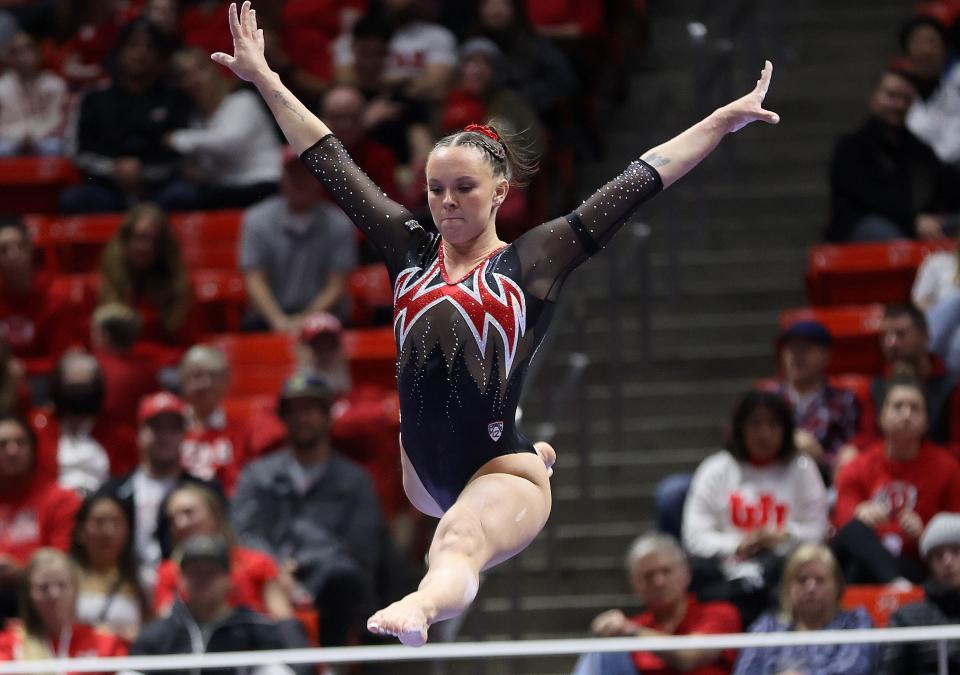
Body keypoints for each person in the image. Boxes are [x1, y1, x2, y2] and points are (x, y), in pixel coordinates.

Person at [213, 0, 780, 644]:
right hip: (423, 473)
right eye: (435, 190)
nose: (447, 203)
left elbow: (640, 178)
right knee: (449, 498)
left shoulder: (529, 265)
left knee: (456, 537)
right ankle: (526, 449)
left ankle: (425, 604)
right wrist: (266, 78)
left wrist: (718, 121)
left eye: (465, 189)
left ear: (500, 191)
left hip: (495, 476)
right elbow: (328, 159)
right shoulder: (409, 249)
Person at [232, 374, 400, 646]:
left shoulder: (355, 480)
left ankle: (332, 662)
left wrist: (299, 566)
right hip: (268, 582)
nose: (301, 418)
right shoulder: (256, 476)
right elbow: (246, 533)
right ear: (283, 419)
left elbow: (360, 547)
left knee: (344, 576)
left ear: (326, 416)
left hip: (332, 589)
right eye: (293, 411)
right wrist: (274, 570)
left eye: (309, 410)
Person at [682, 391, 829, 625]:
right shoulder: (715, 469)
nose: (765, 433)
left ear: (786, 429)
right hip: (727, 570)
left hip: (784, 568)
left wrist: (784, 536)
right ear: (740, 428)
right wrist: (738, 544)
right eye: (756, 424)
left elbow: (818, 530)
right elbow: (694, 537)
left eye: (774, 424)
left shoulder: (802, 468)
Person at [832, 375, 960, 584]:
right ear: (881, 417)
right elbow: (844, 529)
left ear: (927, 422)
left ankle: (896, 583)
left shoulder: (947, 467)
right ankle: (896, 584)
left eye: (915, 408)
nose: (906, 414)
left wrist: (926, 535)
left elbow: (957, 528)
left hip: (916, 563)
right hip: (864, 559)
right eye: (898, 406)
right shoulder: (856, 467)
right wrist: (859, 513)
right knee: (854, 532)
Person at [60, 18, 193, 214]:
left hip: (159, 186)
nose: (141, 54)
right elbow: (77, 151)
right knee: (73, 199)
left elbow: (184, 149)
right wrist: (114, 168)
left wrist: (143, 170)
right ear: (119, 52)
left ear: (161, 56)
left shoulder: (176, 99)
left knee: (184, 195)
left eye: (150, 47)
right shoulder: (94, 98)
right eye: (134, 46)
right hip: (105, 185)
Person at [572, 532, 741, 675]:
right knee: (602, 650)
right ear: (634, 584)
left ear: (687, 573)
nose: (659, 582)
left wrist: (631, 631)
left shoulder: (720, 614)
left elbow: (688, 657)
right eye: (648, 576)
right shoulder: (634, 625)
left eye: (666, 571)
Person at [129, 534, 299, 675]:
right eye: (194, 573)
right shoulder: (159, 633)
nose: (202, 580)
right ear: (180, 580)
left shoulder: (255, 629)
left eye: (211, 572)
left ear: (228, 578)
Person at [825, 66, 960, 242]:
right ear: (873, 99)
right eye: (891, 96)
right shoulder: (851, 147)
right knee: (884, 233)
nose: (899, 105)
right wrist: (913, 221)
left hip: (917, 225)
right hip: (862, 229)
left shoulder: (919, 150)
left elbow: (945, 186)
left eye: (906, 99)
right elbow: (866, 199)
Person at [103, 392, 222, 588]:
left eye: (173, 428)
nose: (164, 436)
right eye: (155, 427)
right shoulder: (114, 492)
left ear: (184, 435)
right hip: (125, 587)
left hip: (187, 584)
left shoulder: (205, 490)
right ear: (139, 433)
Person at [239, 146, 357, 332]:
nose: (299, 181)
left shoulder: (340, 223)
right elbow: (254, 280)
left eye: (306, 173)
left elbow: (336, 285)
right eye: (293, 174)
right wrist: (278, 321)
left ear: (319, 179)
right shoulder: (256, 219)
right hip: (268, 319)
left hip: (324, 320)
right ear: (282, 177)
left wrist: (304, 322)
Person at [155, 482, 297, 624]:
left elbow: (284, 621)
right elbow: (165, 627)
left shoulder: (258, 563)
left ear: (214, 513)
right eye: (172, 518)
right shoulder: (169, 572)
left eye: (189, 512)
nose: (181, 523)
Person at [732, 543, 878, 675]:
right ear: (788, 586)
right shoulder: (768, 627)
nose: (810, 587)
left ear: (838, 586)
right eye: (802, 580)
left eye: (820, 580)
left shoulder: (856, 623)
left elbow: (856, 669)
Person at [167, 46, 281, 210]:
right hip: (228, 189)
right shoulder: (196, 120)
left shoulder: (243, 101)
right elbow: (212, 166)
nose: (195, 80)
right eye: (185, 75)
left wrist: (180, 138)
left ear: (215, 72)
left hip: (263, 184)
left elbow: (229, 144)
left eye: (200, 69)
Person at [0, 414, 80, 623]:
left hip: (42, 601)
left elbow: (59, 560)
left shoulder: (61, 499)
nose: (12, 451)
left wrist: (22, 573)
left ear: (34, 449)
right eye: (3, 444)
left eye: (20, 443)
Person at [98, 203, 200, 352]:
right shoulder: (101, 285)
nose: (148, 247)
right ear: (125, 238)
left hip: (163, 368)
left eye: (156, 241)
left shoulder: (178, 287)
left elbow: (186, 345)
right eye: (141, 238)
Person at [0, 549, 126, 662]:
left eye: (62, 585)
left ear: (75, 590)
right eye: (43, 587)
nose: (54, 594)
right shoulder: (10, 644)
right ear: (28, 594)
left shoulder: (104, 642)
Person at [774, 320, 859, 477]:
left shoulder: (844, 400)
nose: (796, 356)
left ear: (826, 355)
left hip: (825, 482)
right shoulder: (770, 401)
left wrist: (820, 456)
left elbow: (852, 449)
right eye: (790, 348)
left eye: (804, 348)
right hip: (777, 481)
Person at [0, 219, 84, 375]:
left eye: (20, 246)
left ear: (30, 249)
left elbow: (61, 361)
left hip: (42, 380)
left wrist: (24, 368)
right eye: (3, 249)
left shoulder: (56, 296)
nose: (13, 255)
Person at [869, 303, 959, 448]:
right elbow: (868, 440)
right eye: (885, 336)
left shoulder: (952, 385)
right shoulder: (877, 385)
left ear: (925, 336)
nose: (891, 343)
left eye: (900, 334)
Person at [879, 512, 960, 673]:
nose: (948, 562)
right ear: (929, 564)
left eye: (957, 551)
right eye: (938, 556)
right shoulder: (907, 617)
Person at [70, 488, 151, 640]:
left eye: (116, 522)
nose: (108, 531)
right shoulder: (64, 578)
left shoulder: (144, 581)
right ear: (80, 531)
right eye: (99, 522)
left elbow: (153, 633)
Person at [91, 303, 160, 476]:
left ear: (103, 335)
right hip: (137, 453)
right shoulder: (148, 371)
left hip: (99, 451)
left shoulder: (91, 368)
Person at [33, 350, 110, 493]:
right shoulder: (38, 426)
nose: (78, 396)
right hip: (54, 506)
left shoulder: (114, 431)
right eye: (72, 388)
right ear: (58, 388)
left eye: (85, 388)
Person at [179, 345, 252, 494]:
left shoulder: (243, 429)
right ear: (183, 381)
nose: (206, 384)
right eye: (197, 375)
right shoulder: (167, 428)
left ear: (226, 381)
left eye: (213, 375)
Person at [902, 16, 960, 166]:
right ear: (906, 51)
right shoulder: (895, 99)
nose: (926, 51)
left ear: (945, 51)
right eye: (918, 42)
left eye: (932, 42)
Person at [0, 31, 68, 156]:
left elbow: (56, 118)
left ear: (38, 53)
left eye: (27, 50)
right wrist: (19, 136)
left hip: (44, 137)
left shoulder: (54, 84)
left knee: (54, 147)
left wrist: (35, 135)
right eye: (16, 52)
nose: (22, 56)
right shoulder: (2, 86)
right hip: (9, 137)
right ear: (9, 57)